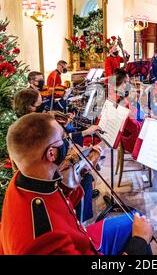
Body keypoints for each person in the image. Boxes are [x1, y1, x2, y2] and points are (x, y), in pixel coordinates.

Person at [0, 113, 153, 255]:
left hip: (80, 238)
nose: (68, 144)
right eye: (63, 139)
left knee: (135, 219)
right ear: (51, 153)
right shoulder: (43, 239)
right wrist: (139, 242)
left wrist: (79, 173)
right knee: (141, 230)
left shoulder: (23, 179)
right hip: (82, 246)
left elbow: (57, 204)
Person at [13, 88, 102, 222]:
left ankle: (85, 200)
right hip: (43, 178)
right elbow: (56, 153)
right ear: (30, 107)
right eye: (40, 104)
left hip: (44, 169)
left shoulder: (27, 123)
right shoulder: (32, 130)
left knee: (85, 164)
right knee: (85, 176)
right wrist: (83, 148)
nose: (44, 108)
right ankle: (80, 220)